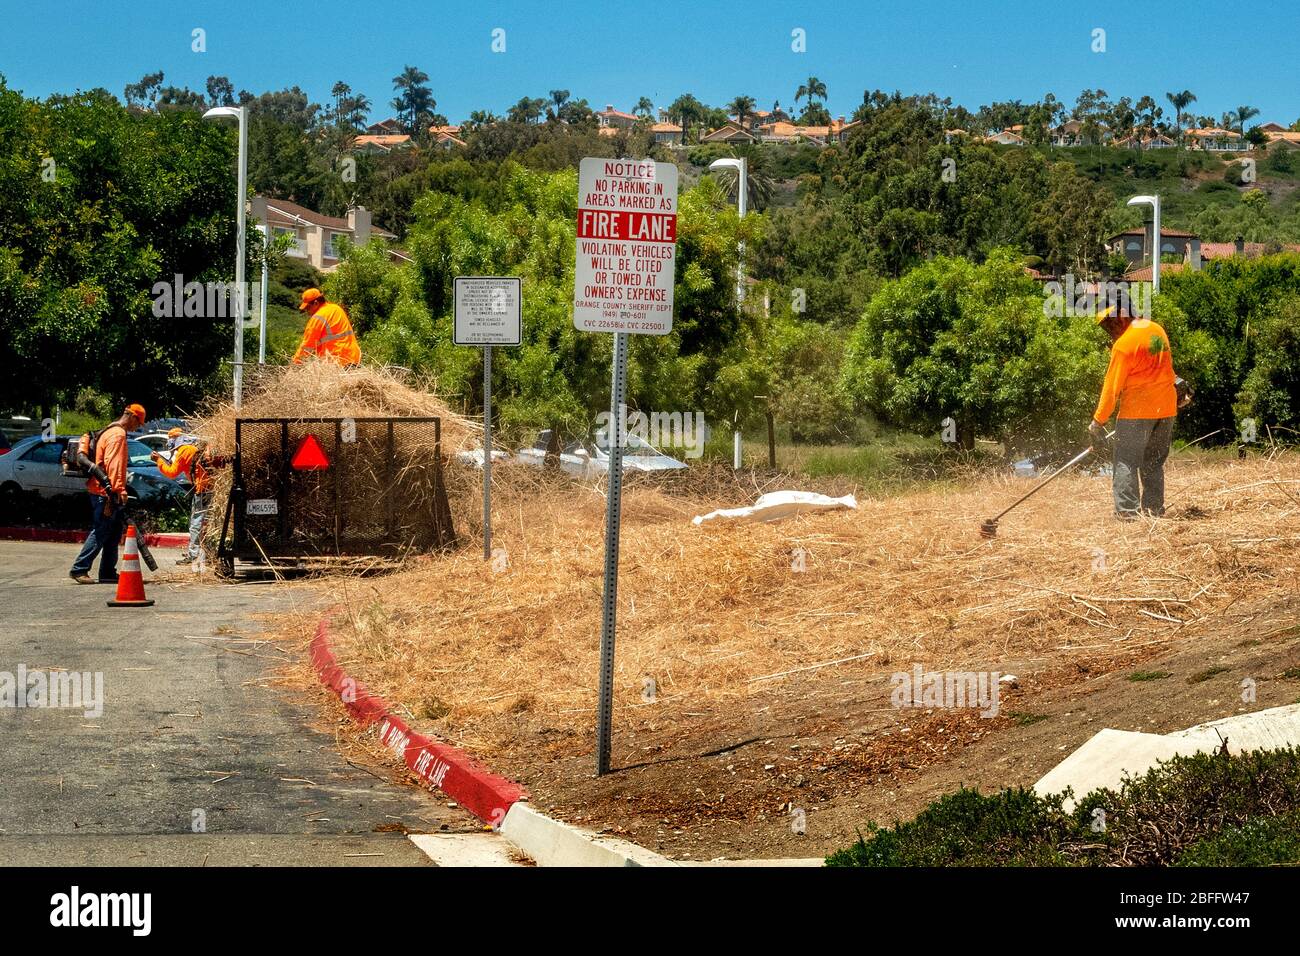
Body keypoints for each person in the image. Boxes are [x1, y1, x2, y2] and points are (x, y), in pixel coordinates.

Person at [1090, 304, 1179, 520]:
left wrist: (1098, 421)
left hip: (1137, 413)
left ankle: (1127, 514)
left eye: (1110, 323)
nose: (1110, 329)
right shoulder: (1156, 330)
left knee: (1126, 461)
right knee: (1153, 462)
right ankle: (1153, 511)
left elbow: (1112, 389)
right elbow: (1165, 367)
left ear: (1121, 315)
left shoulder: (1123, 345)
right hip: (1166, 409)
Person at [69, 403, 146, 584]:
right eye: (139, 423)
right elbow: (115, 465)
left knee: (113, 531)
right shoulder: (118, 435)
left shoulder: (108, 430)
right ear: (132, 417)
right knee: (102, 529)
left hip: (99, 489)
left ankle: (107, 572)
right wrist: (119, 489)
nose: (137, 427)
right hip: (106, 492)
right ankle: (79, 569)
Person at [151, 433, 213, 566]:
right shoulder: (192, 447)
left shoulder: (183, 451)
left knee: (196, 524)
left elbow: (172, 472)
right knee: (207, 523)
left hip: (202, 489)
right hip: (209, 487)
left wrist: (158, 461)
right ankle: (207, 553)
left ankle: (194, 554)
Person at [292, 288, 360, 366]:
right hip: (353, 357)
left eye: (308, 307)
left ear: (316, 303)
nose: (307, 311)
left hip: (337, 361)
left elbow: (307, 344)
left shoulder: (318, 317)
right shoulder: (336, 308)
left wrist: (295, 363)